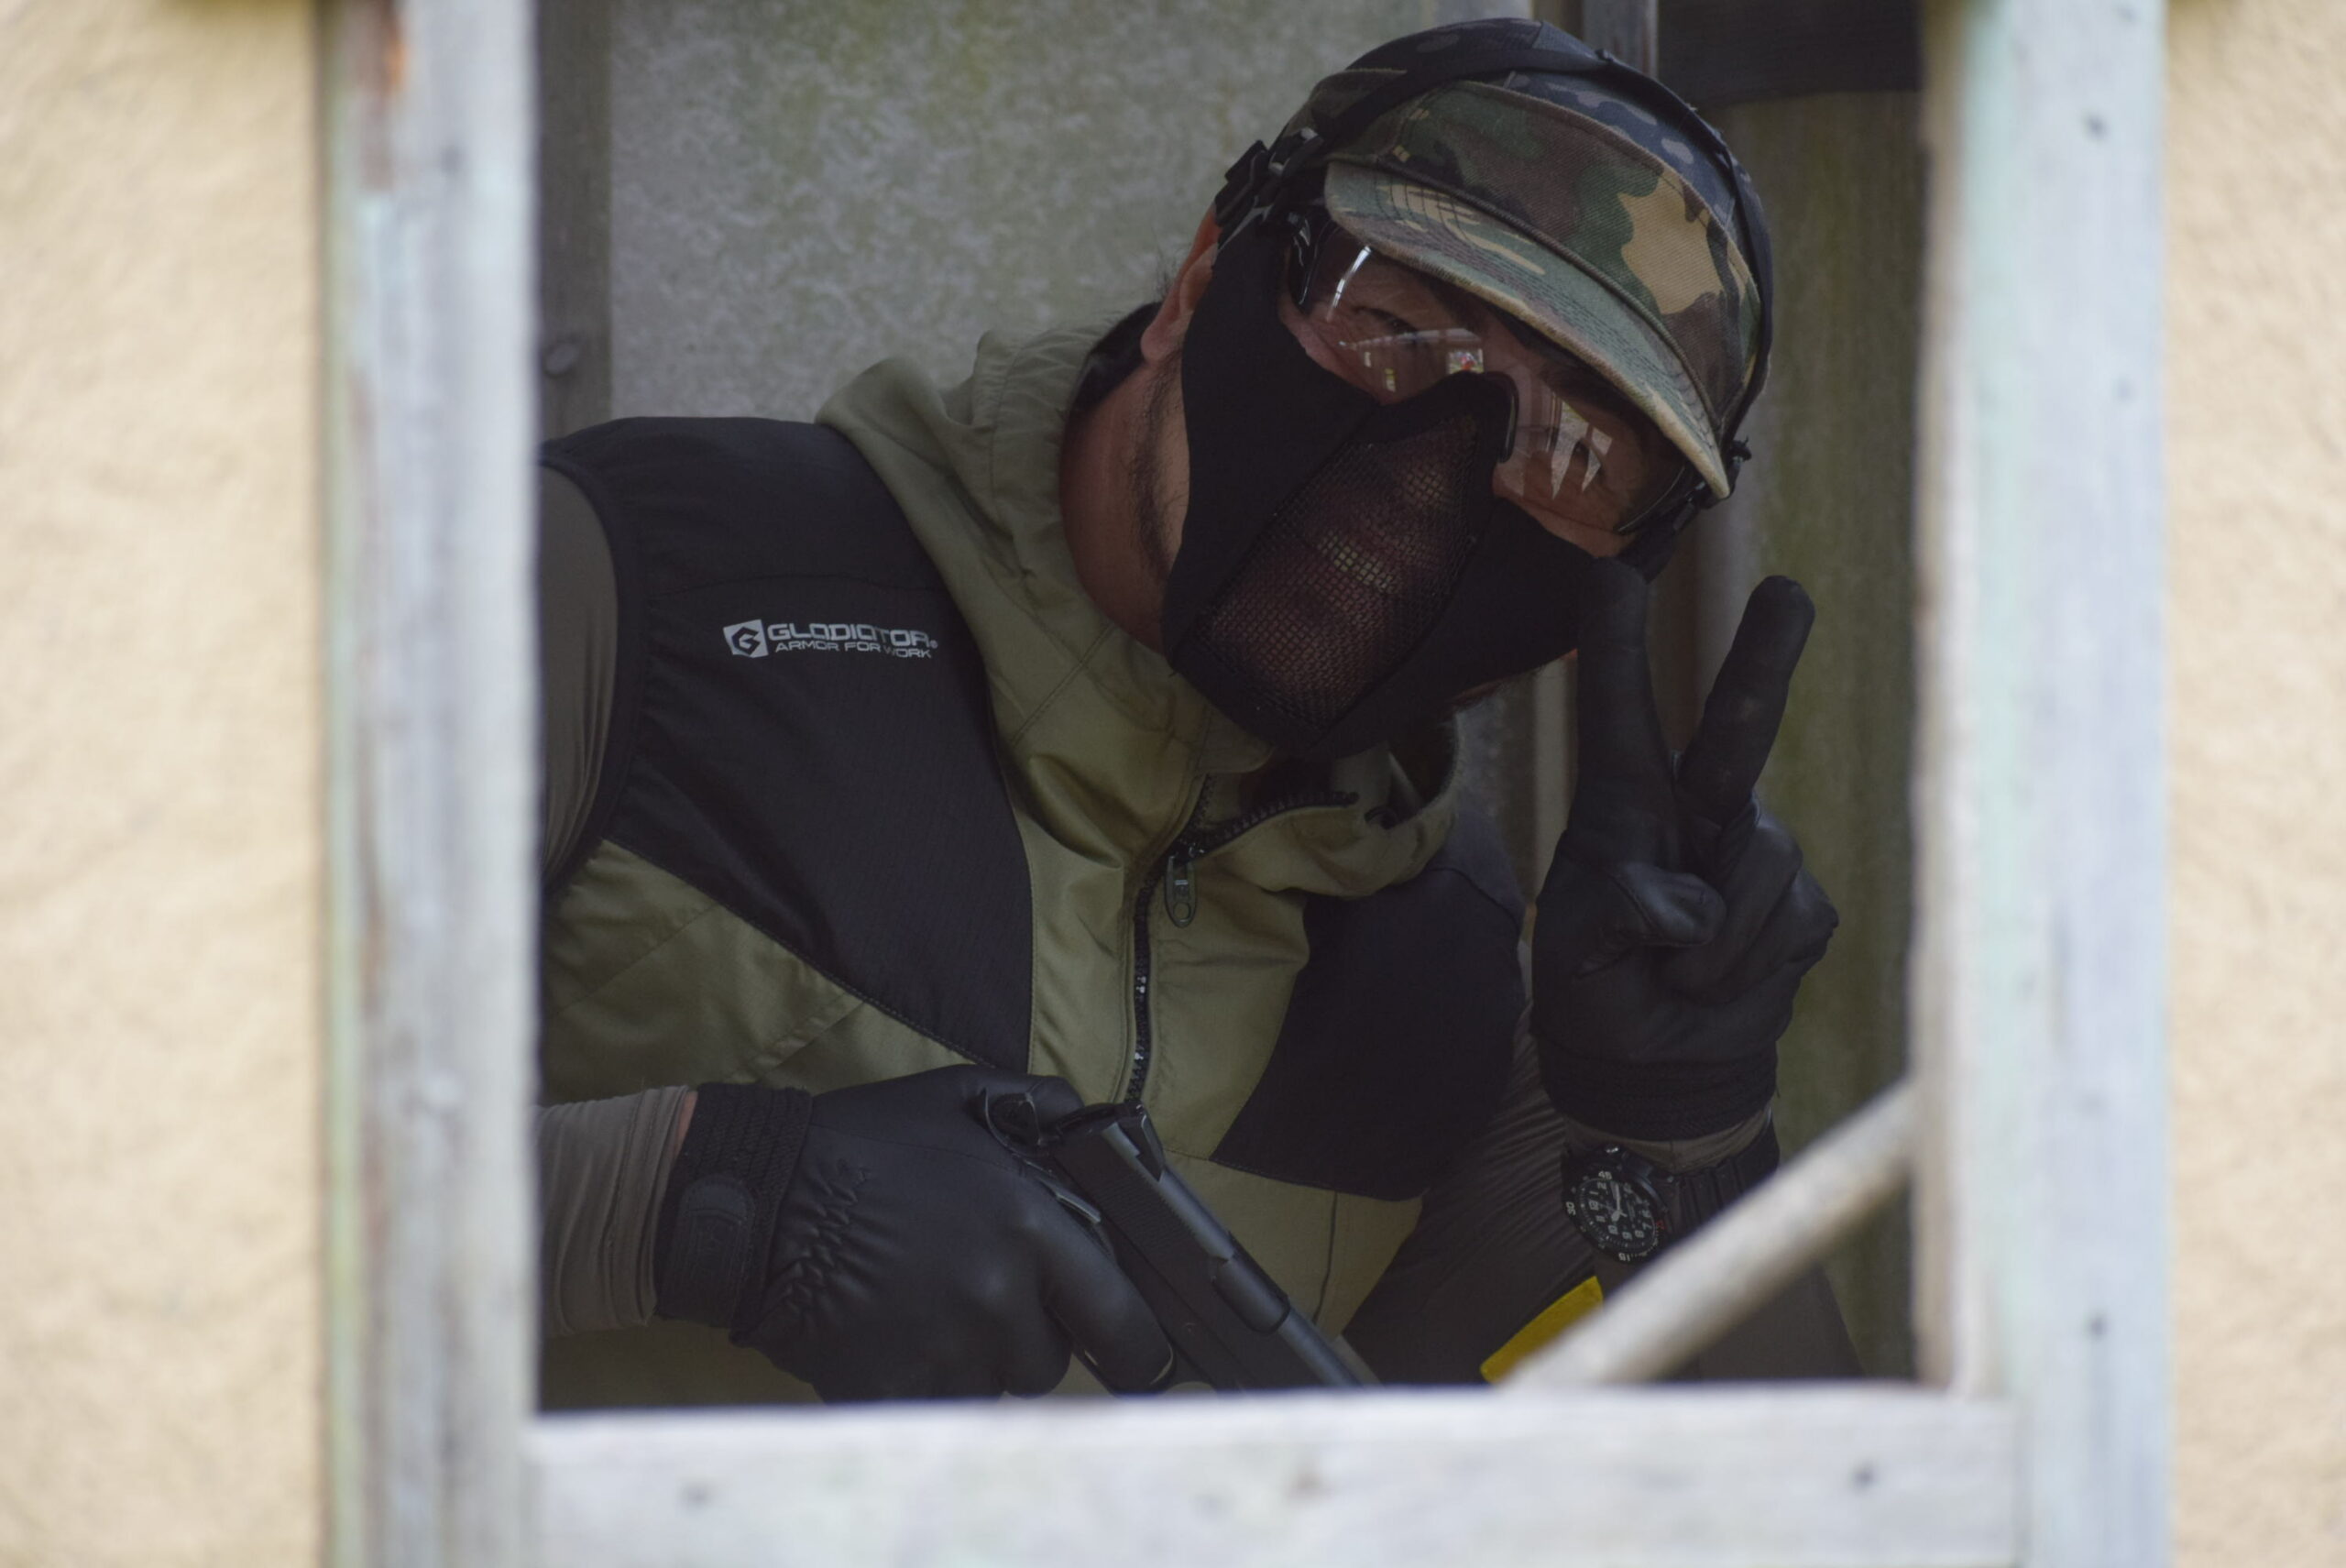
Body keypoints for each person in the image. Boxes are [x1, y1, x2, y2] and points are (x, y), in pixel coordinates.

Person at [531, 16, 1858, 1406]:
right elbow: (339, 1174)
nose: (1438, 475)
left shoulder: (1445, 956)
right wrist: (702, 1206)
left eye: (1574, 450)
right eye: (1394, 329)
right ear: (1202, 281)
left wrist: (1671, 1138)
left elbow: (1701, 1484)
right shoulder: (640, 595)